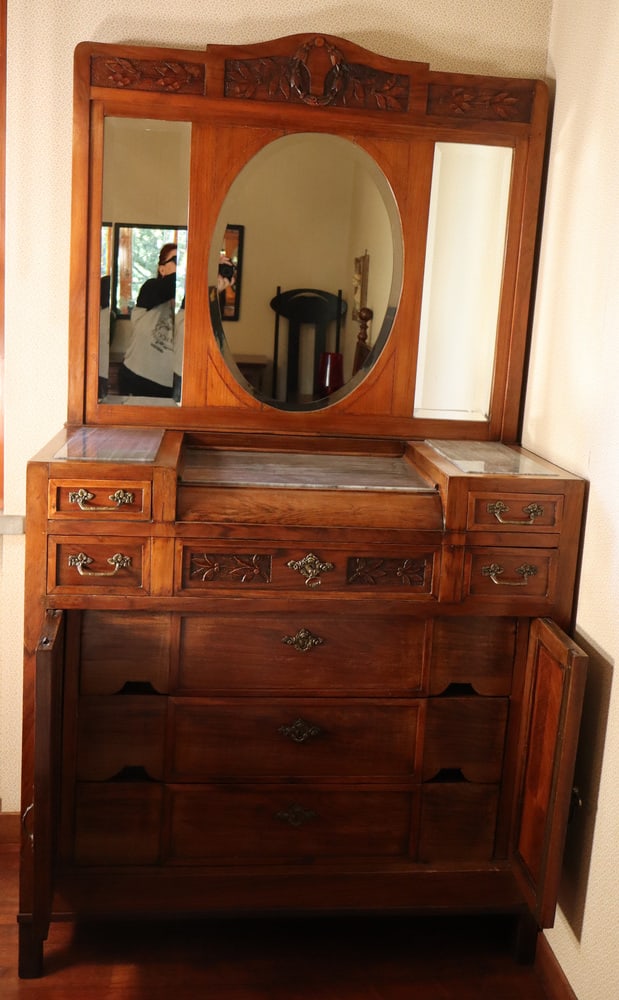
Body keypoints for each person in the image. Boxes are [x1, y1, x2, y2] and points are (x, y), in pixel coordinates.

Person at [118, 243, 178, 397]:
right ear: (161, 269)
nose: (183, 266)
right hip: (134, 380)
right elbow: (171, 286)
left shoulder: (189, 303)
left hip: (168, 388)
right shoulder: (151, 289)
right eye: (177, 260)